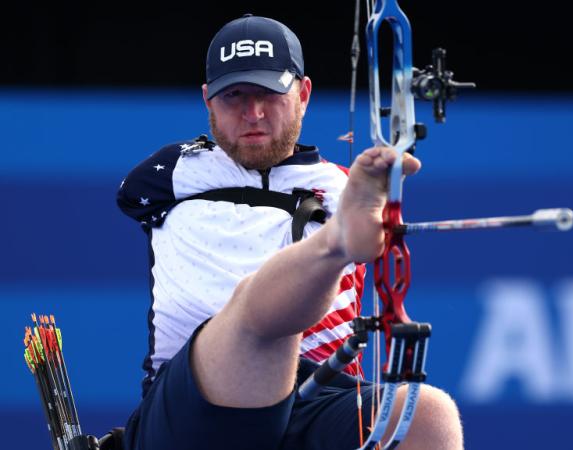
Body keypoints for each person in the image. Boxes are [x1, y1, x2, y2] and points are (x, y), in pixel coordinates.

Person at [117, 13, 463, 450]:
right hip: (197, 402)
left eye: (269, 93)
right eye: (233, 96)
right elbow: (129, 194)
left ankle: (335, 243)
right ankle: (334, 243)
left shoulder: (345, 185)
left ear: (303, 93)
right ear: (208, 101)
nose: (253, 113)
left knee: (426, 415)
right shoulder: (171, 174)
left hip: (318, 392)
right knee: (255, 315)